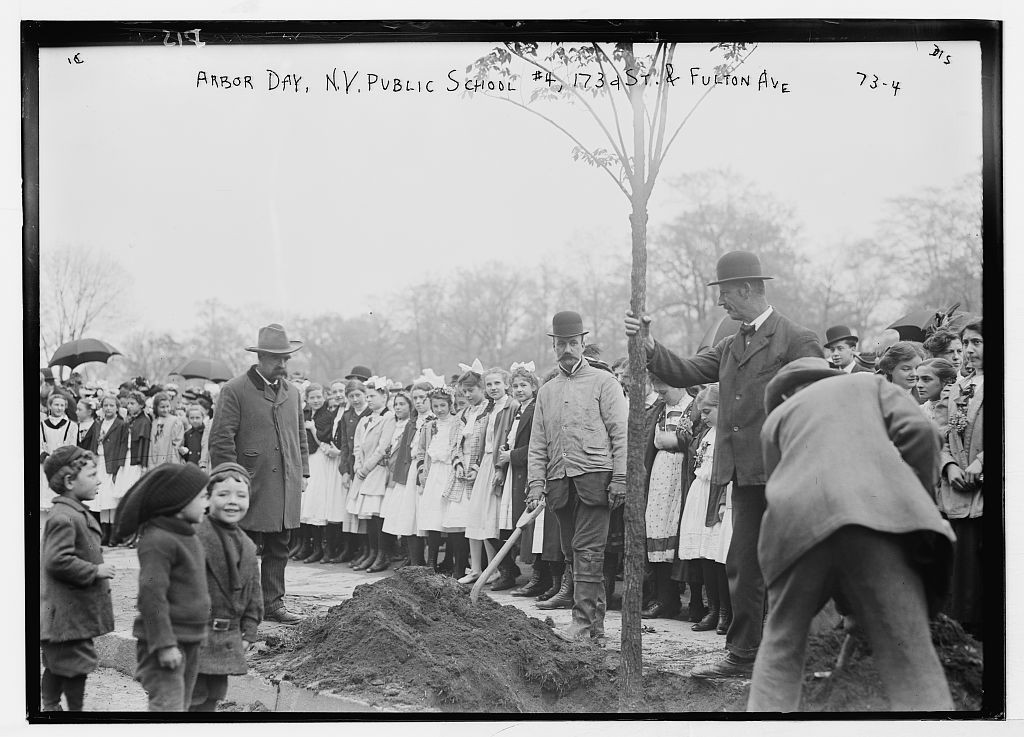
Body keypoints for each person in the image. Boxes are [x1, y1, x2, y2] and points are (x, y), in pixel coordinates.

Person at [624, 250, 823, 677]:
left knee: (794, 561)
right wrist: (650, 346)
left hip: (787, 471)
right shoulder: (731, 345)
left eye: (726, 293)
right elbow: (686, 370)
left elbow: (817, 406)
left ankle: (803, 652)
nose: (721, 303)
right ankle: (745, 654)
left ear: (748, 289)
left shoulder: (796, 339)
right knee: (743, 562)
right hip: (744, 474)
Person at [748, 357, 955, 711]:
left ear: (786, 394)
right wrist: (914, 498)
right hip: (875, 520)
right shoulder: (867, 385)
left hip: (796, 528)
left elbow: (776, 492)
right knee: (910, 656)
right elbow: (923, 432)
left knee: (780, 647)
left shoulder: (776, 420)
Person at [527, 310, 628, 644]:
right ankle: (595, 629)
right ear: (553, 346)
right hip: (559, 483)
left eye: (573, 342)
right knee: (573, 552)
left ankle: (581, 626)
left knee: (587, 551)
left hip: (596, 479)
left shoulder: (604, 383)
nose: (567, 349)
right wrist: (536, 483)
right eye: (561, 343)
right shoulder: (547, 390)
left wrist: (621, 477)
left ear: (583, 343)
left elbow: (621, 433)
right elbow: (538, 442)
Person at [209, 323, 309, 625]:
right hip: (249, 483)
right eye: (277, 359)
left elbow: (300, 435)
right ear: (261, 357)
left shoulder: (292, 394)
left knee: (280, 545)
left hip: (285, 482)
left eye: (286, 359)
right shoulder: (235, 390)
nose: (283, 364)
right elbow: (221, 439)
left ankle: (273, 603)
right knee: (243, 546)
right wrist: (230, 481)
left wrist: (303, 470)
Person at [116, 463, 212, 711]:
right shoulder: (158, 540)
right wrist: (165, 644)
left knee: (182, 707)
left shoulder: (188, 536)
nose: (208, 503)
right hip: (165, 644)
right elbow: (151, 597)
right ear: (179, 502)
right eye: (202, 496)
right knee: (167, 708)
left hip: (189, 639)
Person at [39, 447, 116, 711]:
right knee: (73, 667)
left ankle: (51, 707)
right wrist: (95, 571)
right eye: (93, 474)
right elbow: (56, 560)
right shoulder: (65, 516)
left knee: (61, 665)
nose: (99, 480)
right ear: (71, 482)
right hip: (67, 615)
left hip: (70, 614)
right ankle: (67, 714)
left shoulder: (73, 512)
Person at [189, 463, 264, 712]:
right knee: (190, 698)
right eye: (223, 494)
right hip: (193, 639)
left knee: (212, 696)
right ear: (208, 498)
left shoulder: (248, 546)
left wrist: (249, 630)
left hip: (226, 639)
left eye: (241, 495)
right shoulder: (195, 538)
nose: (233, 502)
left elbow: (254, 593)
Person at [938, 318, 984, 638]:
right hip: (958, 492)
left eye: (977, 343)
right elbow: (940, 437)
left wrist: (982, 462)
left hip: (986, 492)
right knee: (960, 568)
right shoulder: (955, 388)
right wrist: (950, 466)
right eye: (966, 344)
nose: (969, 350)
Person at [676, 385, 733, 634]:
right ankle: (713, 608)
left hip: (718, 495)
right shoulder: (706, 435)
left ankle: (725, 612)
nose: (703, 417)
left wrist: (721, 500)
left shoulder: (729, 435)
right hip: (701, 493)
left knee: (718, 554)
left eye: (708, 411)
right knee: (704, 556)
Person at [640, 375, 695, 619]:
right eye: (658, 392)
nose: (661, 396)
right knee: (656, 531)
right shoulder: (658, 410)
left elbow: (702, 437)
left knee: (680, 534)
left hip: (683, 475)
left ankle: (694, 602)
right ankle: (664, 598)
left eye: (665, 391)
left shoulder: (694, 407)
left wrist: (677, 440)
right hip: (659, 475)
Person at [463, 367, 514, 586]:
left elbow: (508, 439)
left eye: (497, 384)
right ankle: (482, 568)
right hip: (485, 463)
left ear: (506, 385)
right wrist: (475, 464)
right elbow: (486, 439)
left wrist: (501, 467)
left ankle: (501, 569)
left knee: (493, 517)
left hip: (499, 464)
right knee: (479, 515)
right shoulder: (491, 409)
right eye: (490, 385)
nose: (493, 388)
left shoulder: (512, 406)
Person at [348, 377, 397, 572]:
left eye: (372, 396)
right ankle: (371, 552)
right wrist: (358, 465)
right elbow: (358, 446)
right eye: (366, 396)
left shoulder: (389, 418)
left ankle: (383, 554)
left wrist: (365, 469)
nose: (368, 400)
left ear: (384, 396)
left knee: (378, 514)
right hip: (364, 471)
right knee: (368, 515)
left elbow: (382, 447)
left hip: (378, 470)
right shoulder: (365, 419)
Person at [416, 386, 459, 571]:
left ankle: (450, 560)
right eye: (436, 406)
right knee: (433, 516)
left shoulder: (458, 423)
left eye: (443, 405)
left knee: (450, 517)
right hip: (434, 472)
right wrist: (421, 471)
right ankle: (431, 561)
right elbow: (421, 451)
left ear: (450, 404)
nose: (439, 409)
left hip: (451, 472)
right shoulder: (429, 426)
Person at [333, 379, 373, 563]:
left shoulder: (371, 413)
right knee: (353, 511)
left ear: (365, 394)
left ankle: (368, 550)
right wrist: (345, 471)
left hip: (368, 468)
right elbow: (345, 445)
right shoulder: (347, 416)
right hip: (352, 467)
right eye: (351, 396)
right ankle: (355, 549)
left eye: (358, 395)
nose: (355, 399)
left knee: (366, 512)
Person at [381, 391, 421, 564]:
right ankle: (409, 556)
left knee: (415, 514)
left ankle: (414, 557)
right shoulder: (406, 423)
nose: (398, 407)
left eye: (402, 404)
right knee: (404, 514)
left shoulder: (420, 422)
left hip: (416, 469)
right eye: (395, 404)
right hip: (403, 469)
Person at [295, 384, 331, 563]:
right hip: (308, 459)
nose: (316, 401)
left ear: (324, 397)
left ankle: (318, 547)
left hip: (319, 460)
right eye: (312, 398)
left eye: (319, 397)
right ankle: (304, 544)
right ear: (307, 399)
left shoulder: (327, 415)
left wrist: (313, 428)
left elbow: (324, 439)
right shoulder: (306, 414)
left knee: (316, 502)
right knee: (304, 502)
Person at [94, 395, 128, 545]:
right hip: (100, 462)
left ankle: (114, 532)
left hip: (112, 463)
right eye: (105, 405)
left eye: (111, 406)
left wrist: (118, 466)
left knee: (111, 498)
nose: (108, 408)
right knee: (102, 498)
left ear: (117, 408)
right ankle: (104, 531)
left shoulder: (121, 424)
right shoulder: (99, 423)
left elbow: (122, 445)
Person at [40, 392, 79, 516]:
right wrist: (46, 457)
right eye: (56, 405)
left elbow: (72, 446)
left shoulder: (71, 426)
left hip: (62, 466)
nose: (59, 408)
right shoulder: (42, 425)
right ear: (50, 406)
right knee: (45, 500)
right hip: (45, 466)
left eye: (62, 405)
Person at [149, 392, 187, 467]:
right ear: (156, 407)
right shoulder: (154, 422)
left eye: (167, 406)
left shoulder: (175, 421)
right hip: (155, 456)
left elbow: (177, 443)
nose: (165, 410)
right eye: (162, 407)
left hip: (169, 457)